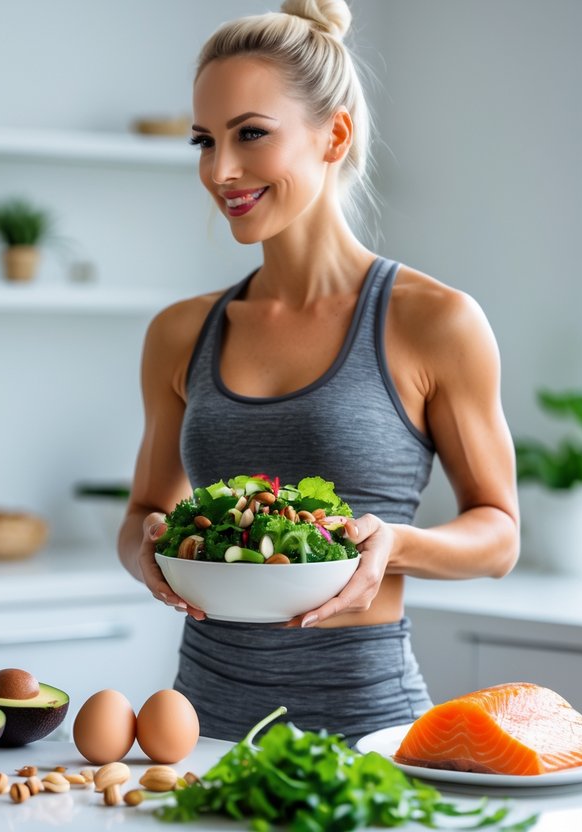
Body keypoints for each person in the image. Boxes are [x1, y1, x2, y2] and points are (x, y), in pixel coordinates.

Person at [117, 0, 520, 744]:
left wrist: (394, 543)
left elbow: (497, 537)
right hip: (199, 727)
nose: (220, 170)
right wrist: (146, 546)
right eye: (204, 141)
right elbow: (144, 507)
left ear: (332, 134)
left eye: (251, 135)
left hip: (364, 727)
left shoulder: (433, 320)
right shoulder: (180, 332)